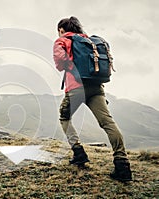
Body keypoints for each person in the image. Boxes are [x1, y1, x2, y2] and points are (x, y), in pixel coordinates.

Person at [53, 16, 132, 182]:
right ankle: (122, 164)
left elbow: (60, 62)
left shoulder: (63, 40)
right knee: (107, 122)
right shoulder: (89, 41)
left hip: (76, 88)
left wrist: (69, 67)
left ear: (62, 29)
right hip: (96, 88)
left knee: (64, 117)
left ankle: (79, 152)